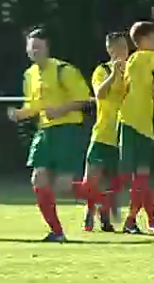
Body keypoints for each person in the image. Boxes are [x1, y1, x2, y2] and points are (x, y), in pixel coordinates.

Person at [7, 27, 94, 242]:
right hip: (45, 131)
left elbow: (86, 99)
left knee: (64, 187)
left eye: (38, 46)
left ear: (47, 47)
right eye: (30, 47)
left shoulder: (64, 70)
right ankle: (57, 231)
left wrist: (61, 109)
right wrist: (21, 114)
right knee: (38, 179)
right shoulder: (29, 74)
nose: (34, 51)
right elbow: (33, 105)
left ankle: (98, 198)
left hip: (67, 131)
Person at [119, 16, 154, 234]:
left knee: (141, 178)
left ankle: (146, 219)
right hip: (133, 124)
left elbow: (150, 94)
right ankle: (127, 219)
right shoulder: (140, 58)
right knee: (135, 178)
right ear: (143, 41)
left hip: (142, 125)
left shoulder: (140, 65)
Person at [83, 32, 129, 232]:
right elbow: (99, 94)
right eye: (119, 47)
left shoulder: (132, 71)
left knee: (113, 181)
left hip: (122, 134)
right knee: (91, 178)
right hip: (102, 132)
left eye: (126, 47)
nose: (124, 52)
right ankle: (89, 211)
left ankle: (105, 215)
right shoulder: (101, 70)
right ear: (110, 49)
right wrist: (113, 74)